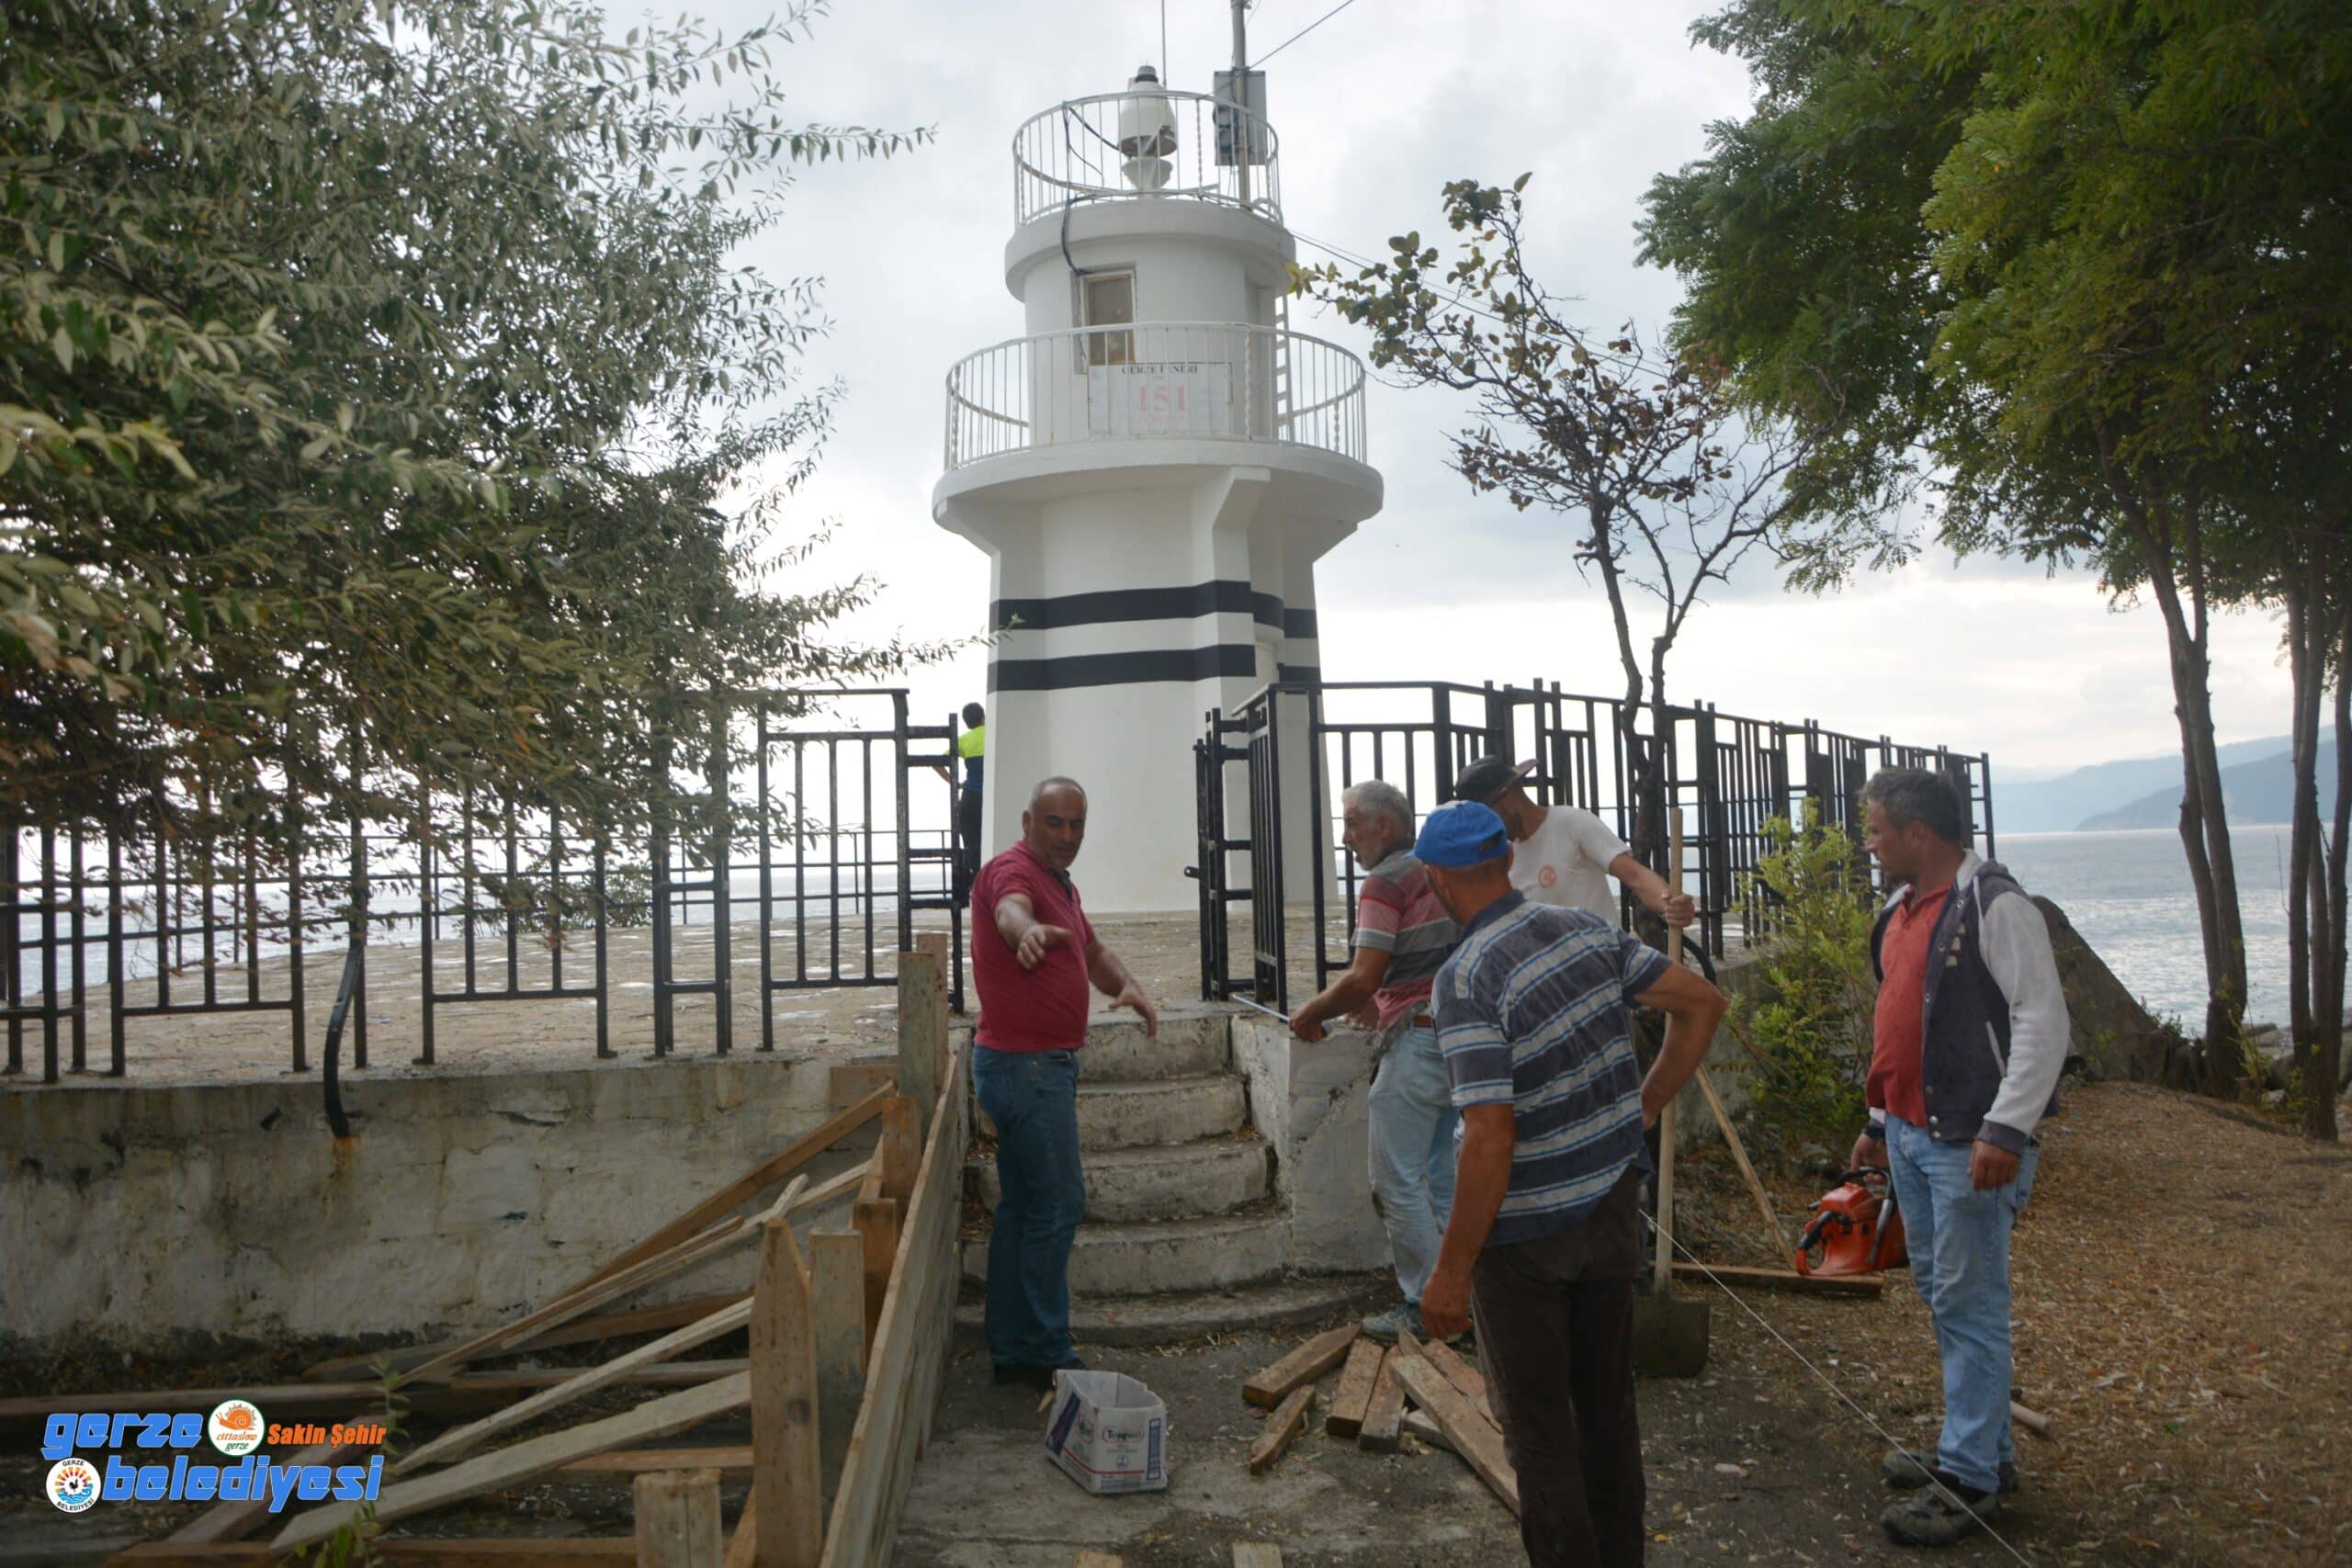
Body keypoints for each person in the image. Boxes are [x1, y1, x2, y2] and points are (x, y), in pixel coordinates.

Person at [1412, 800, 1727, 1568]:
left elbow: (1488, 1135)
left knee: (1541, 1433)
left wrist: (1449, 1277)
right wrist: (1643, 1106)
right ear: (1503, 861)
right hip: (1613, 1205)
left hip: (1524, 1240)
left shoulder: (1465, 979)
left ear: (1437, 880)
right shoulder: (1583, 931)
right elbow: (1703, 1001)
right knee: (1608, 1412)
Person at [1847, 768, 2066, 1549]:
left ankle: (1969, 1476)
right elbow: (1895, 1023)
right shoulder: (1901, 912)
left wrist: (2005, 1129)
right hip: (1913, 1136)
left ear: (1918, 834)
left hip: (1967, 1140)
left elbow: (2043, 1019)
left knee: (1969, 1305)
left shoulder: (1994, 906)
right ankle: (1981, 1452)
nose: (1868, 843)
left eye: (1876, 830)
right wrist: (1878, 1120)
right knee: (1948, 1298)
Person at [969, 775, 1158, 1389]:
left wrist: (1126, 985)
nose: (1067, 835)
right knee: (1058, 1204)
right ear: (1027, 823)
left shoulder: (1062, 886)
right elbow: (1008, 910)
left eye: (1077, 824)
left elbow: (1094, 950)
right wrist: (1023, 932)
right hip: (1026, 1067)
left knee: (1023, 1208)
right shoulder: (1012, 870)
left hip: (1034, 1064)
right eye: (1054, 822)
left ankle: (1012, 1346)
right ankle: (1045, 1348)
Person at [1285, 780, 1462, 1343]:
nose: (1346, 836)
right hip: (1458, 1037)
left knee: (1395, 1180)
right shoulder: (1436, 870)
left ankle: (1425, 1306)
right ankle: (1463, 1297)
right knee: (1440, 1174)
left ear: (1385, 825)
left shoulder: (1385, 879)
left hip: (1418, 1043)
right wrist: (1378, 998)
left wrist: (1311, 1013)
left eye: (1354, 822)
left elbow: (1365, 973)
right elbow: (1414, 959)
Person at [1450, 755, 1696, 931]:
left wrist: (1668, 904)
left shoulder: (1572, 823)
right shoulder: (1501, 857)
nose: (1486, 828)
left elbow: (1635, 876)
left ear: (1511, 796)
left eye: (1487, 815)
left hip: (1599, 969)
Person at [933, 701, 988, 900]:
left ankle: (973, 887)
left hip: (971, 797)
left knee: (970, 845)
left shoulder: (964, 740)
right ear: (984, 716)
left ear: (965, 722)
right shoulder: (994, 735)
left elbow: (937, 762)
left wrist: (954, 783)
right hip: (992, 797)